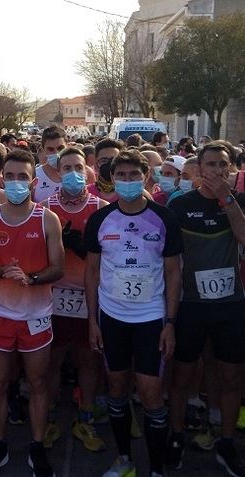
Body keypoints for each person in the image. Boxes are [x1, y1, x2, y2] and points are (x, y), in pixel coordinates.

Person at [84, 149, 182, 477]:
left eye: (134, 175)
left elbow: (173, 274)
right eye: (121, 176)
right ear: (112, 179)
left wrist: (170, 322)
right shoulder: (100, 219)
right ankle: (124, 459)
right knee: (116, 388)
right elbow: (92, 273)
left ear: (146, 177)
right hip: (112, 318)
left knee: (151, 394)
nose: (127, 181)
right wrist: (92, 321)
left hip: (151, 319)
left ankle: (155, 469)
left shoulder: (164, 218)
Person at [0, 149, 64, 477]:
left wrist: (32, 278)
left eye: (22, 177)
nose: (15, 183)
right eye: (8, 177)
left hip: (36, 315)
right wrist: (2, 272)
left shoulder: (46, 218)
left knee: (37, 383)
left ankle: (37, 445)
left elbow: (58, 267)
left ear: (33, 182)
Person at [166, 140, 245, 477]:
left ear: (231, 169)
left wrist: (227, 199)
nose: (215, 171)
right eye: (209, 165)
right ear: (198, 171)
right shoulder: (180, 204)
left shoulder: (237, 202)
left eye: (221, 165)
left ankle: (226, 441)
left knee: (231, 377)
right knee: (182, 375)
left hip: (230, 305)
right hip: (191, 305)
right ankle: (175, 435)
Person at [40, 147, 108, 452]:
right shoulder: (44, 207)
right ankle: (50, 416)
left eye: (78, 168)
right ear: (58, 171)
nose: (73, 174)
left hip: (89, 298)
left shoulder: (101, 208)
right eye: (66, 168)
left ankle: (86, 417)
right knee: (51, 362)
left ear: (88, 169)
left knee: (88, 362)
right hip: (52, 297)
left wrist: (85, 248)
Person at [33, 126, 67, 202]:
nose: (56, 153)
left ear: (67, 146)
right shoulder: (34, 175)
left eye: (60, 148)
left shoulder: (82, 173)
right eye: (50, 149)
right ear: (43, 150)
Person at [88, 138, 124, 202]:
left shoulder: (132, 192)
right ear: (96, 165)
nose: (110, 164)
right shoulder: (86, 193)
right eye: (104, 160)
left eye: (114, 160)